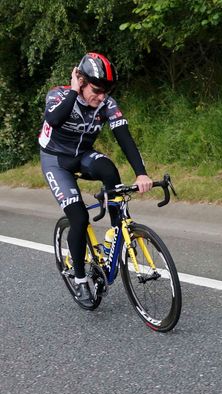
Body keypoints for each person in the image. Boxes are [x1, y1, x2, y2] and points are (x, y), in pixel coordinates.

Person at [39, 52, 152, 304]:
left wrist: (141, 172)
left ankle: (115, 232)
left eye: (106, 92)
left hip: (83, 155)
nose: (101, 97)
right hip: (56, 161)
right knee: (79, 218)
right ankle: (80, 280)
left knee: (109, 170)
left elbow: (124, 138)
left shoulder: (106, 104)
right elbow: (54, 119)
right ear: (80, 80)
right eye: (96, 90)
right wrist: (73, 90)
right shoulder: (58, 95)